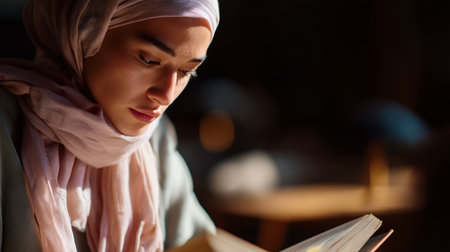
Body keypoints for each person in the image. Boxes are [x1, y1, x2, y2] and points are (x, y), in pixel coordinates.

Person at [0, 0, 219, 251]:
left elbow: (198, 243)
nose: (166, 95)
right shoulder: (6, 130)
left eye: (186, 71)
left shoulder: (155, 141)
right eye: (148, 59)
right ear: (83, 34)